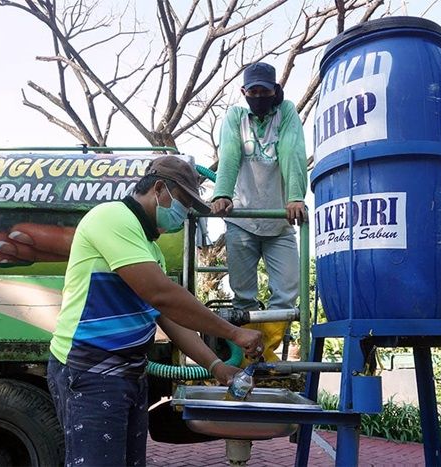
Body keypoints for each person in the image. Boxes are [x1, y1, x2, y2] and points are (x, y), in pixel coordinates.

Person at [47, 155, 264, 467]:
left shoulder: (150, 249)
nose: (184, 213)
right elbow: (162, 296)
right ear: (160, 188)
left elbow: (167, 316)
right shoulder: (112, 218)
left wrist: (217, 366)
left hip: (129, 375)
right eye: (183, 202)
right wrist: (232, 332)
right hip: (90, 371)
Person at [211, 62, 307, 363]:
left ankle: (264, 354)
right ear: (244, 92)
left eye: (264, 91)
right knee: (244, 295)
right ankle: (249, 359)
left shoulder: (286, 113)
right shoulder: (236, 117)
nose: (258, 96)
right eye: (252, 91)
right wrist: (222, 193)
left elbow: (292, 150)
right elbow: (228, 155)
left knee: (287, 292)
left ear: (275, 91)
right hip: (243, 218)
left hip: (280, 220)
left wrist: (295, 197)